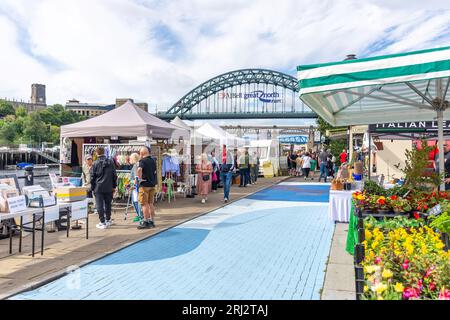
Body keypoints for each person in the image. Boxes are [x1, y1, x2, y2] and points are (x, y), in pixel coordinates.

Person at [90, 146, 117, 229]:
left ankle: (102, 222)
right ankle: (108, 220)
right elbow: (114, 175)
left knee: (99, 205)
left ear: (97, 153)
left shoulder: (95, 163)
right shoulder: (110, 162)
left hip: (98, 187)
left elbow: (92, 177)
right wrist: (114, 186)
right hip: (109, 187)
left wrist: (92, 187)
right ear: (104, 152)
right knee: (108, 204)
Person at [137, 147, 157, 229]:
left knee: (144, 204)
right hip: (152, 184)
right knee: (151, 203)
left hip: (144, 185)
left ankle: (146, 221)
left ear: (142, 153)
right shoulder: (153, 160)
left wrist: (139, 178)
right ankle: (152, 221)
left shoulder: (142, 161)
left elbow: (139, 169)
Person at [129, 153, 142, 222]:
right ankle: (140, 214)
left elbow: (136, 177)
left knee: (135, 201)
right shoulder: (137, 165)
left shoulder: (135, 166)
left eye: (130, 158)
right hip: (136, 185)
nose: (129, 160)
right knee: (136, 201)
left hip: (135, 186)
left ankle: (139, 215)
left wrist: (133, 185)